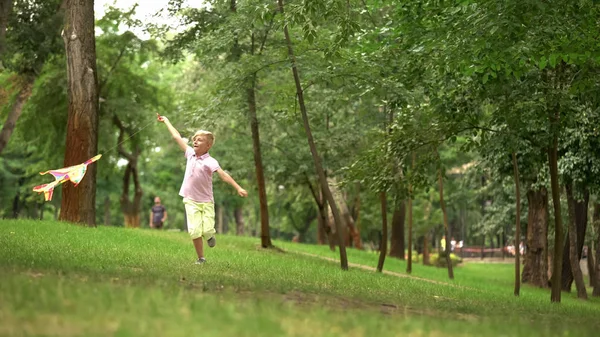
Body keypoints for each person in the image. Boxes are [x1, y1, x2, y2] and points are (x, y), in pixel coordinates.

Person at [157, 114, 248, 264]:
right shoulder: (190, 154)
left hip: (206, 202)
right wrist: (166, 120)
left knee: (206, 230)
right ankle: (201, 258)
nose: (195, 141)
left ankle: (210, 235)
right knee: (194, 231)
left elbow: (223, 175)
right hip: (190, 200)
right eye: (194, 139)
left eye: (200, 140)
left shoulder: (210, 162)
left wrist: (238, 187)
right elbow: (176, 136)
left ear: (208, 146)